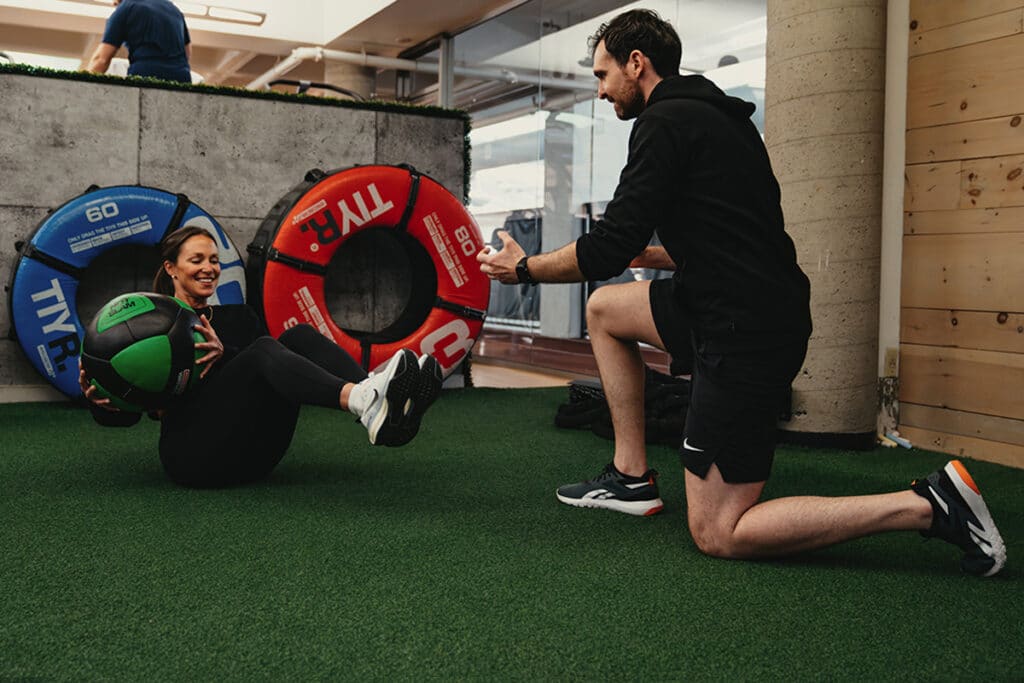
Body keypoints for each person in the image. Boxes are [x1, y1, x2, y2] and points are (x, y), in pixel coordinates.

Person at [477, 9, 1006, 576]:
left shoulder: (661, 122)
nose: (601, 91)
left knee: (718, 531)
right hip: (728, 302)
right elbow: (736, 235)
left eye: (604, 75)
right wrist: (655, 254)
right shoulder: (720, 118)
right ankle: (630, 477)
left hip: (745, 330)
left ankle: (928, 506)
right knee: (606, 310)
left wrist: (524, 268)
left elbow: (605, 250)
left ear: (637, 63)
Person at [80, 226, 443, 488]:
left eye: (214, 260)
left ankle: (379, 398)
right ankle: (367, 400)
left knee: (296, 336)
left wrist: (225, 354)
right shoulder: (146, 329)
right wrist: (99, 401)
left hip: (258, 454)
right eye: (196, 260)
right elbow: (131, 417)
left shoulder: (238, 318)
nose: (209, 268)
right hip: (195, 459)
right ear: (172, 268)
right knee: (264, 349)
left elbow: (270, 378)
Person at [86, 0, 192, 83]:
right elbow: (187, 52)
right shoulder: (174, 10)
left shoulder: (126, 8)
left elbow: (101, 60)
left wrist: (81, 86)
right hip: (182, 78)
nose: (113, 3)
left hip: (145, 76)